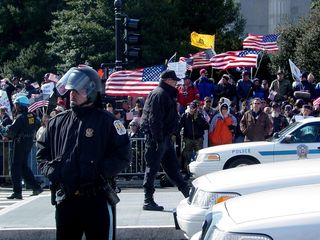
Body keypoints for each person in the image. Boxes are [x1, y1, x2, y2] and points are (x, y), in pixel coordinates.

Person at [37, 66, 131, 239]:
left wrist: (100, 172)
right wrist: (54, 172)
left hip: (96, 199)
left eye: (78, 90)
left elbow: (123, 154)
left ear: (91, 91)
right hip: (66, 199)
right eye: (71, 90)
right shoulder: (57, 122)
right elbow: (42, 152)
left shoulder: (108, 121)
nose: (72, 94)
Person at [140, 70, 190, 211]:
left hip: (163, 137)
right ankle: (147, 200)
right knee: (152, 168)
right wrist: (158, 140)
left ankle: (188, 195)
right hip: (157, 138)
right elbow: (154, 120)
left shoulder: (163, 93)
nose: (176, 83)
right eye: (174, 80)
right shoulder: (160, 94)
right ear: (167, 80)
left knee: (173, 168)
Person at [1, 96, 42, 200]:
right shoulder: (32, 116)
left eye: (16, 104)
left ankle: (17, 192)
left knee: (15, 167)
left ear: (19, 106)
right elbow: (38, 124)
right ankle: (36, 187)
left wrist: (2, 128)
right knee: (23, 166)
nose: (15, 106)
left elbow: (9, 131)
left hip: (19, 143)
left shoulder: (20, 117)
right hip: (28, 143)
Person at [179, 101, 209, 178]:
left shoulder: (200, 116)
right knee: (186, 157)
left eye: (193, 108)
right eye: (191, 108)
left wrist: (198, 119)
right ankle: (186, 172)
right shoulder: (185, 116)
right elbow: (179, 125)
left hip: (198, 139)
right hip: (188, 138)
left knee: (200, 157)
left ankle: (200, 173)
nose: (192, 110)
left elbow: (206, 126)